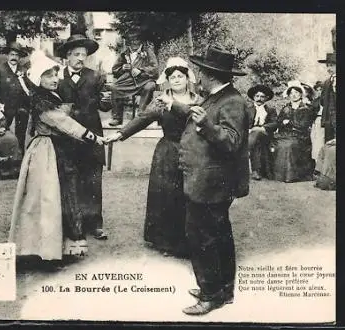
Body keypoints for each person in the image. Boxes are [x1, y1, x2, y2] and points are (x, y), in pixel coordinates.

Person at [158, 45, 250, 315]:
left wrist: (206, 126)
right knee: (219, 235)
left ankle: (210, 294)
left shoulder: (231, 101)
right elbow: (194, 112)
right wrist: (176, 106)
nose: (197, 74)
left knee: (202, 237)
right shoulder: (218, 96)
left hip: (211, 184)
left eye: (201, 71)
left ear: (211, 75)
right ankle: (223, 289)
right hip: (209, 181)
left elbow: (232, 141)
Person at [8, 50, 105, 268]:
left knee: (56, 197)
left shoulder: (49, 97)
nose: (54, 79)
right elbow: (62, 122)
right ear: (38, 79)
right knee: (46, 199)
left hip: (55, 149)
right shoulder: (41, 100)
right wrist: (93, 137)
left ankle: (54, 246)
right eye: (48, 76)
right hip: (46, 152)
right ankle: (40, 249)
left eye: (55, 75)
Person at [104, 57, 198, 257]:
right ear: (167, 80)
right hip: (167, 152)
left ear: (187, 78)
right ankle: (166, 241)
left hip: (192, 152)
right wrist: (120, 134)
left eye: (180, 76)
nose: (177, 80)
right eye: (172, 77)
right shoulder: (160, 102)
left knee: (188, 195)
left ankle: (188, 240)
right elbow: (142, 119)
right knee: (166, 195)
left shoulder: (197, 99)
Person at [57, 34, 109, 240]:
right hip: (68, 139)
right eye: (76, 54)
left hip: (92, 137)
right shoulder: (58, 78)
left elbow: (106, 105)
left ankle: (95, 223)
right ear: (67, 56)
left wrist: (106, 97)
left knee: (93, 180)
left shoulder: (95, 77)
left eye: (84, 55)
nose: (81, 58)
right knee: (71, 180)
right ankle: (73, 224)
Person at [108, 31, 159, 126]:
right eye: (131, 40)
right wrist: (122, 68)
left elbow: (155, 69)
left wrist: (141, 70)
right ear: (128, 42)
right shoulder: (124, 54)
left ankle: (141, 117)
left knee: (149, 87)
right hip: (129, 82)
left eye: (136, 40)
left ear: (140, 41)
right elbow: (114, 70)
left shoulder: (148, 52)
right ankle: (117, 118)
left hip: (145, 81)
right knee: (114, 88)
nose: (134, 42)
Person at [271, 80, 316, 183]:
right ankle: (278, 175)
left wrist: (290, 122)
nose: (293, 95)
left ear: (300, 94)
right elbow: (279, 122)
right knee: (276, 143)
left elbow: (304, 125)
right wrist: (283, 123)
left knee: (289, 145)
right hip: (285, 134)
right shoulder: (285, 108)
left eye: (296, 93)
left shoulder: (306, 109)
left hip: (300, 136)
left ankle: (290, 176)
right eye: (291, 93)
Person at [0, 42, 31, 153]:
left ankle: (20, 156)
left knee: (21, 134)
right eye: (12, 54)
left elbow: (29, 88)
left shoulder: (23, 70)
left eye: (17, 55)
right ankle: (3, 156)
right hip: (5, 107)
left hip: (21, 107)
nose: (14, 57)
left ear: (19, 57)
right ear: (8, 55)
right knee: (3, 132)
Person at [314, 52, 337, 191]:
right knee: (329, 147)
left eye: (332, 65)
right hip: (329, 120)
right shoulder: (327, 82)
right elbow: (323, 101)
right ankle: (330, 178)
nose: (329, 68)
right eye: (328, 65)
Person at [246, 84, 278, 180]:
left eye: (262, 96)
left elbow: (275, 123)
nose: (259, 99)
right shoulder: (247, 109)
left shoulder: (271, 110)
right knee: (256, 142)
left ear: (266, 98)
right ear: (253, 97)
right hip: (250, 134)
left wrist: (261, 128)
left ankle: (246, 149)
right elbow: (242, 122)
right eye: (257, 96)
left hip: (265, 134)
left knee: (257, 134)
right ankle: (256, 171)